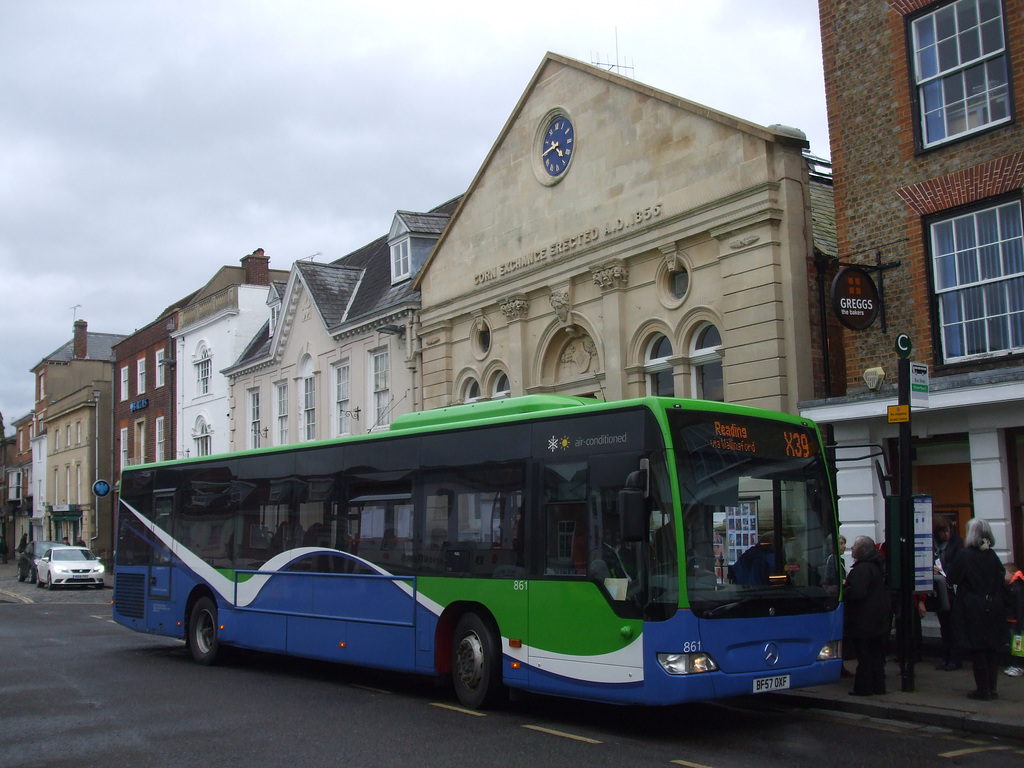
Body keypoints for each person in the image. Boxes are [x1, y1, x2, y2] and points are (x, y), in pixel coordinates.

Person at [946, 517, 1006, 701]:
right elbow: (1000, 578)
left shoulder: (965, 555)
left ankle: (983, 689)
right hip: (993, 605)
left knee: (978, 648)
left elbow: (953, 577)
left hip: (973, 606)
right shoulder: (992, 556)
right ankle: (992, 688)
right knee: (991, 649)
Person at [844, 535, 890, 696]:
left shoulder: (862, 569)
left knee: (864, 656)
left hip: (864, 620)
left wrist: (845, 590)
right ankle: (878, 686)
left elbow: (857, 593)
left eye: (855, 546)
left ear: (862, 550)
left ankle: (864, 688)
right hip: (877, 619)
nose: (852, 548)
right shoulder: (875, 566)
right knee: (876, 655)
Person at [933, 519, 964, 670]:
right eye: (943, 532)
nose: (946, 534)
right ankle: (946, 656)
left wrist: (943, 569)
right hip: (940, 588)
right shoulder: (935, 545)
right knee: (944, 625)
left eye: (947, 531)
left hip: (952, 587)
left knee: (953, 625)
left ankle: (955, 658)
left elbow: (957, 563)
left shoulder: (956, 543)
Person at [1003, 563, 1024, 678]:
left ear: (1011, 573)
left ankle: (1018, 666)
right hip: (1013, 620)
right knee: (1015, 644)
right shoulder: (1013, 586)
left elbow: (1019, 607)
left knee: (1017, 645)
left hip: (1016, 622)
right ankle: (1015, 664)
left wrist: (1020, 623)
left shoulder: (1017, 587)